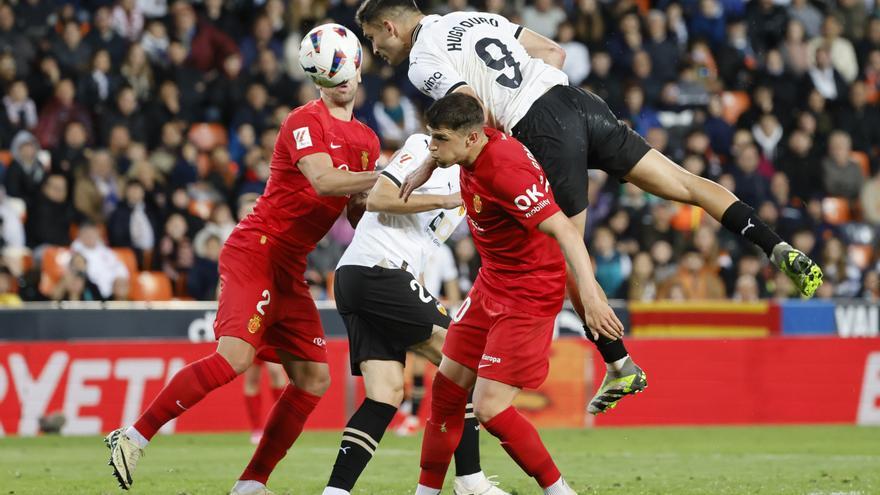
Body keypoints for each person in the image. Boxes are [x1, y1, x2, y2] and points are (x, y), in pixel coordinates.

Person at [355, 0, 824, 414]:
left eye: (373, 39)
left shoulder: (421, 59)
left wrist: (501, 153)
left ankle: (619, 362)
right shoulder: (470, 18)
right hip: (579, 103)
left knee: (564, 249)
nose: (376, 51)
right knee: (687, 184)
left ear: (389, 27)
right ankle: (775, 244)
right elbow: (554, 54)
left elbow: (470, 108)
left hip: (539, 128)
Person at [103, 52, 381, 494]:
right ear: (317, 78)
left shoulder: (367, 139)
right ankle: (132, 436)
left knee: (314, 378)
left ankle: (251, 483)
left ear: (359, 70)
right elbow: (325, 182)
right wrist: (386, 176)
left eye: (346, 69)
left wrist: (397, 202)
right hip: (258, 249)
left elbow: (353, 209)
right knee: (234, 358)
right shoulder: (303, 121)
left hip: (291, 263)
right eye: (331, 72)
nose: (341, 79)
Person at [413, 93, 610, 495]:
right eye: (430, 137)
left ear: (470, 139)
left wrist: (589, 295)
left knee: (488, 407)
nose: (432, 146)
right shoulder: (473, 141)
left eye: (439, 140)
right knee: (446, 389)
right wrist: (426, 164)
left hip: (528, 291)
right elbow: (459, 126)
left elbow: (565, 231)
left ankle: (560, 492)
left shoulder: (505, 171)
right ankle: (426, 492)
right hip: (492, 282)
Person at [324, 133, 506, 495]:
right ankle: (470, 479)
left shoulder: (475, 175)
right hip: (378, 270)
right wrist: (447, 198)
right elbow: (379, 198)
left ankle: (335, 492)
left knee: (385, 394)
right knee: (463, 361)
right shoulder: (424, 146)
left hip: (368, 276)